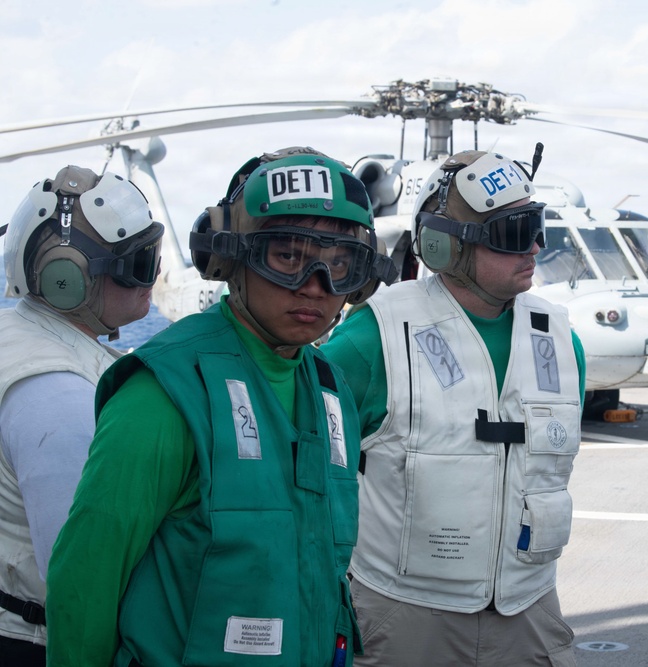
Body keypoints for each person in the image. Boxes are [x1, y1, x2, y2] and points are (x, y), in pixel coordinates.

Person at [45, 146, 397, 667]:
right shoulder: (165, 392)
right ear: (232, 257)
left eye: (340, 265)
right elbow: (86, 578)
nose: (317, 287)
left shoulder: (329, 391)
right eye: (288, 257)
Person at [320, 149, 586, 666]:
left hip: (529, 609)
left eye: (538, 226)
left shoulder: (558, 339)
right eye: (513, 233)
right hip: (404, 615)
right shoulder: (375, 337)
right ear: (446, 246)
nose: (534, 246)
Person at [0, 166, 161, 666]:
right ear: (66, 278)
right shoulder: (56, 392)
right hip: (37, 643)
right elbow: (81, 571)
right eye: (139, 263)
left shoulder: (18, 333)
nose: (151, 279)